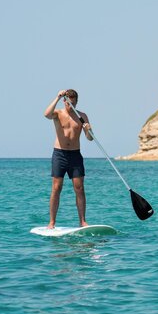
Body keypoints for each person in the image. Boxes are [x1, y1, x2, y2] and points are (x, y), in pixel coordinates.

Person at [44, 89, 94, 229]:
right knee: (56, 187)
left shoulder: (82, 116)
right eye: (67, 103)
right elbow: (46, 114)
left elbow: (89, 138)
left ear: (76, 102)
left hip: (75, 155)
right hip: (59, 154)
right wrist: (58, 97)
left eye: (73, 103)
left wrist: (89, 130)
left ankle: (82, 221)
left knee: (79, 188)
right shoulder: (58, 113)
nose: (70, 106)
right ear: (64, 101)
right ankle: (52, 222)